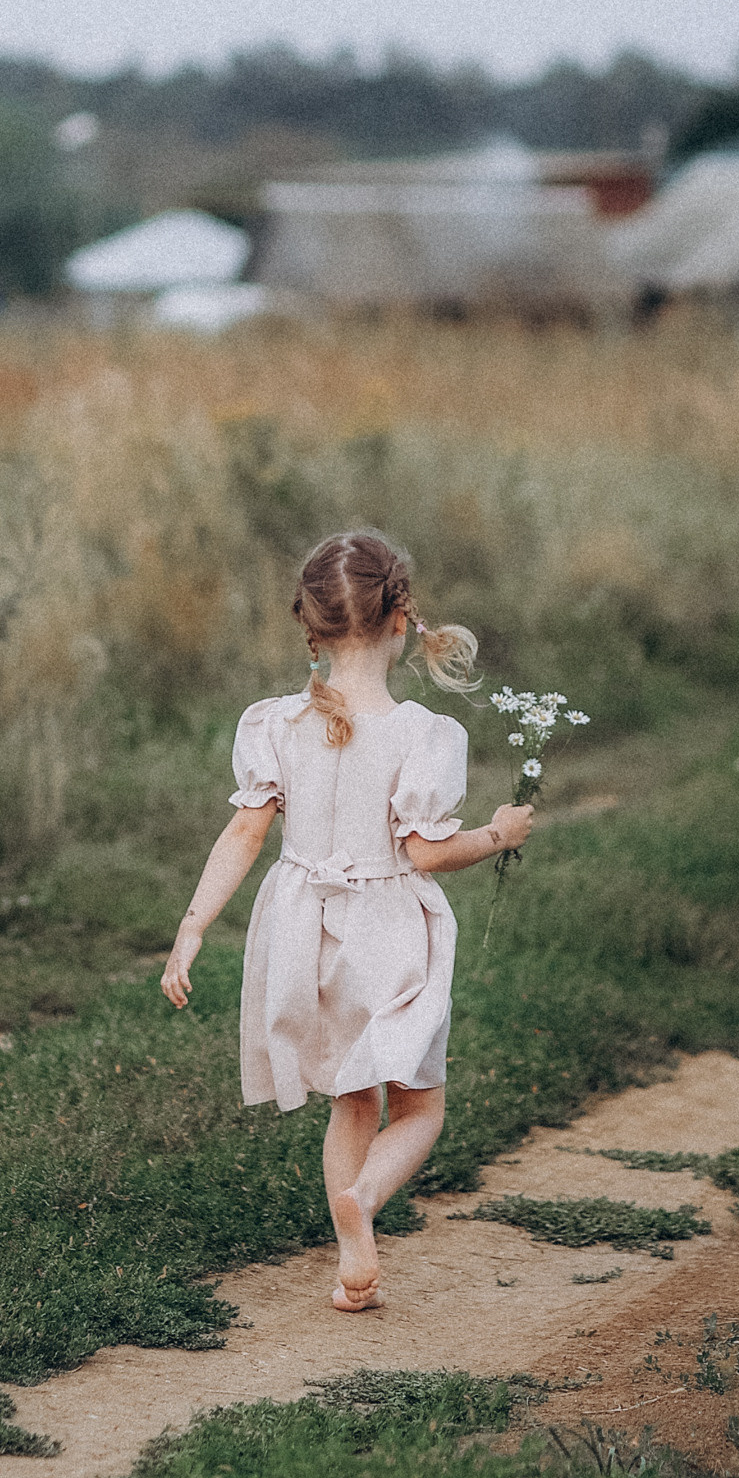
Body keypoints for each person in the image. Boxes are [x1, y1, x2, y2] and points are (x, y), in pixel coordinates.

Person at [159, 527, 535, 1313]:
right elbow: (426, 854)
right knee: (419, 1104)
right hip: (388, 930)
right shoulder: (426, 735)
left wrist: (192, 927)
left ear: (310, 627)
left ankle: (349, 1265)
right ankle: (361, 1203)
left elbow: (243, 833)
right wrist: (498, 834)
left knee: (350, 1099)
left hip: (301, 926)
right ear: (403, 619)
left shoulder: (271, 724)